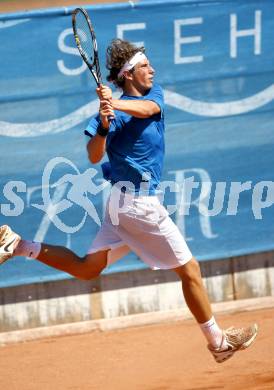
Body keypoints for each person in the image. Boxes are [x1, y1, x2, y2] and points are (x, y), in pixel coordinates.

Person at [0, 39, 257, 363]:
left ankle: (19, 245)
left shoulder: (152, 96)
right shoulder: (112, 115)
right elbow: (94, 155)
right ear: (129, 74)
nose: (152, 70)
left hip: (124, 206)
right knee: (190, 270)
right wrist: (105, 125)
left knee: (88, 269)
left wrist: (115, 105)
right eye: (145, 66)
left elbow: (148, 110)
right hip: (136, 205)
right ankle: (219, 344)